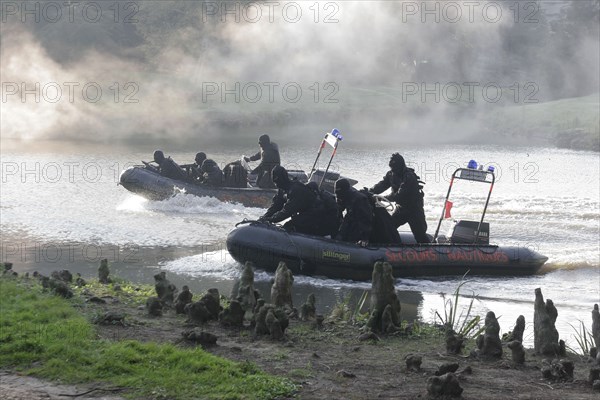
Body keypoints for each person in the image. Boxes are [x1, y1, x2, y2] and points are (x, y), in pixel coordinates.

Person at [369, 153, 430, 243]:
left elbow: (399, 195)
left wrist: (382, 198)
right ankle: (390, 246)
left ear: (401, 166)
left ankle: (429, 251)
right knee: (389, 227)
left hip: (414, 210)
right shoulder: (391, 174)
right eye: (391, 167)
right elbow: (381, 185)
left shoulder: (409, 177)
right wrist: (370, 192)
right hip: (401, 209)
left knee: (419, 234)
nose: (393, 170)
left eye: (394, 167)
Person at [260, 166, 334, 236]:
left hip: (317, 217)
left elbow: (287, 211)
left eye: (277, 181)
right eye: (275, 182)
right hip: (305, 216)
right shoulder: (282, 189)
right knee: (290, 224)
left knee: (289, 226)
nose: (276, 185)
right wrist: (264, 218)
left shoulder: (296, 190)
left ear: (282, 179)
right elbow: (275, 206)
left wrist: (270, 219)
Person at [334, 178, 373, 246]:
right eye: (337, 194)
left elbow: (366, 219)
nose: (338, 196)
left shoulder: (359, 199)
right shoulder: (342, 197)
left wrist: (364, 238)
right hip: (350, 219)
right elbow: (338, 210)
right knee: (340, 235)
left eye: (339, 194)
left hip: (358, 223)